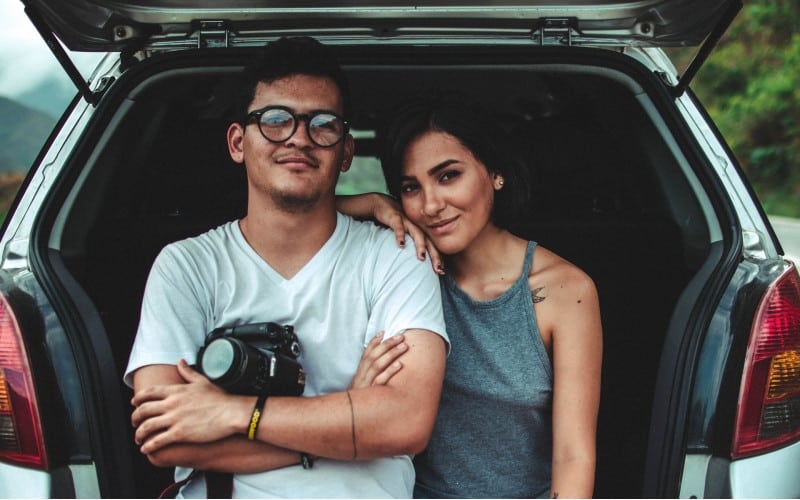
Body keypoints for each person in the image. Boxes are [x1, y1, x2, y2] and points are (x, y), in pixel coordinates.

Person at [123, 36, 449, 498]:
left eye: (323, 123)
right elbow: (163, 438)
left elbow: (405, 422)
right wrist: (347, 418)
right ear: (238, 142)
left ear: (346, 150)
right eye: (275, 119)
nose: (299, 136)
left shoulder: (395, 255)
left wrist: (235, 413)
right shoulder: (187, 266)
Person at [343, 91, 602, 498]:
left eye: (449, 176)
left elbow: (573, 457)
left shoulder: (565, 290)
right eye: (411, 187)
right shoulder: (400, 269)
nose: (431, 205)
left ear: (495, 173)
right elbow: (281, 214)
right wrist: (373, 202)